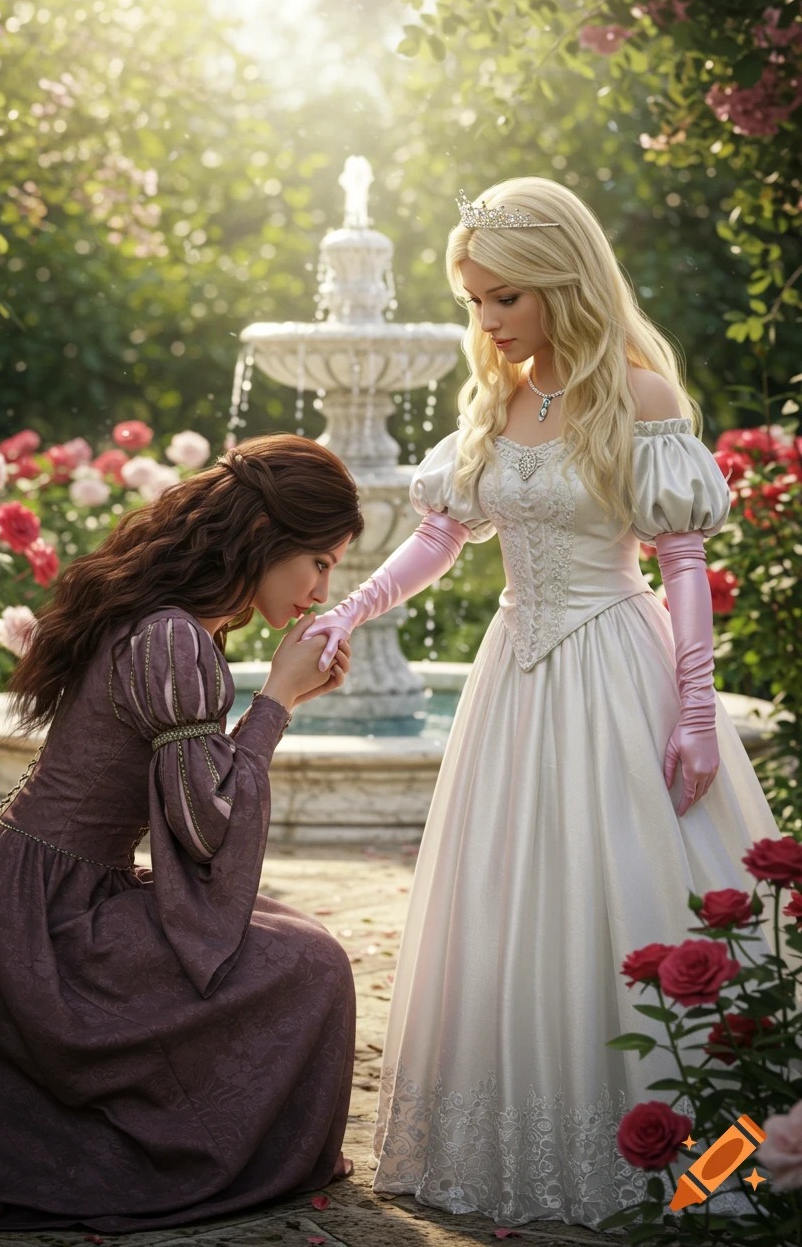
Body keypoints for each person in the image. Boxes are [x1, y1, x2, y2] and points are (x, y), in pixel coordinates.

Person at [303, 178, 784, 1229]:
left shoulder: (639, 392)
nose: (485, 321)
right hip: (509, 680)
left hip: (614, 664)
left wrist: (695, 713)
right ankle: (519, 1142)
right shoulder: (500, 394)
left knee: (623, 879)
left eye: (502, 298)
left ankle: (702, 1154)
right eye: (474, 300)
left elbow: (683, 565)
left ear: (561, 280)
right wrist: (349, 609)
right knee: (508, 896)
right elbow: (440, 534)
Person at [0, 433, 363, 1234]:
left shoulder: (176, 624)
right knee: (311, 964)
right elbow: (206, 827)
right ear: (263, 538)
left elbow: (190, 811)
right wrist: (277, 702)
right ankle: (198, 1154)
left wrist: (275, 700)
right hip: (42, 921)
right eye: (319, 561)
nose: (325, 586)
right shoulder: (175, 636)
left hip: (24, 886)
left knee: (285, 934)